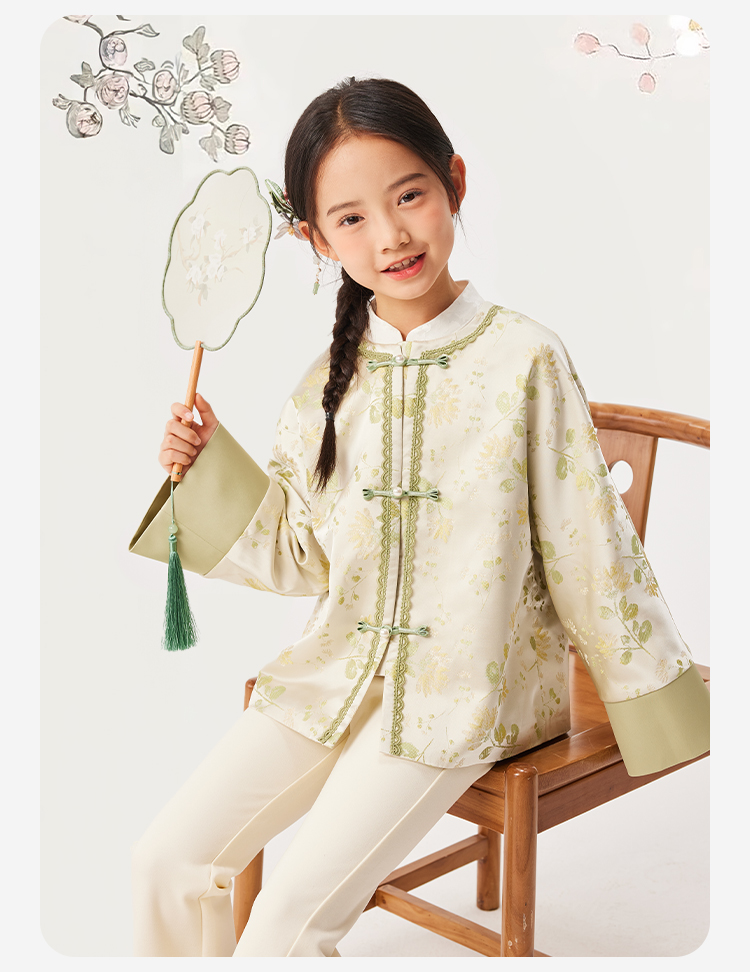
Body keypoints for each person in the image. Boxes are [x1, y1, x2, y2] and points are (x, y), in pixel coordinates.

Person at [129, 76, 709, 958]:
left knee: (284, 927)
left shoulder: (525, 357)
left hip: (468, 691)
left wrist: (659, 701)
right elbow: (301, 556)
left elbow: (588, 543)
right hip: (335, 670)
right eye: (351, 218)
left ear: (454, 184)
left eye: (409, 196)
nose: (391, 235)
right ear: (314, 239)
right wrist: (206, 467)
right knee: (164, 861)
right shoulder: (326, 381)